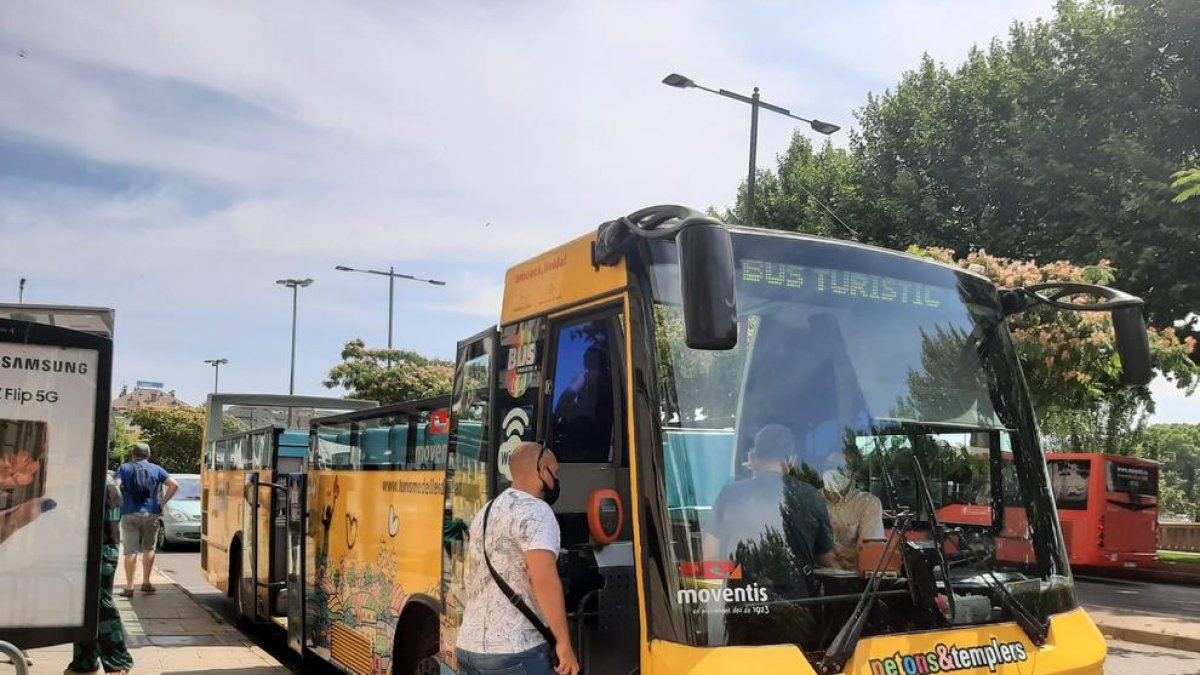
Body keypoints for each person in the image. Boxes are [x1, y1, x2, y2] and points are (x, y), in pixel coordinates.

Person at [456, 442, 580, 675]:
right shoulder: (536, 512)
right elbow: (543, 580)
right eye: (556, 472)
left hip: (469, 648)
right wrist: (564, 643)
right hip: (515, 651)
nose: (556, 479)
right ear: (543, 471)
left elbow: (470, 576)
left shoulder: (486, 511)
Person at [705, 424, 835, 570]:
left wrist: (738, 580)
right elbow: (827, 558)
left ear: (753, 458)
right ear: (791, 460)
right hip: (799, 592)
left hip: (745, 591)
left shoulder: (730, 495)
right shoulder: (812, 496)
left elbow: (710, 558)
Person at [65, 473, 134, 675]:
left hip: (99, 553)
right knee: (85, 607)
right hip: (97, 552)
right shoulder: (100, 479)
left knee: (100, 606)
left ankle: (117, 663)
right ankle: (84, 661)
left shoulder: (100, 482)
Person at [115, 443, 177, 597]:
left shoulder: (124, 468)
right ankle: (146, 583)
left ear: (133, 454)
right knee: (149, 548)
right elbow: (174, 485)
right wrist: (161, 502)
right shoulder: (157, 469)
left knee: (130, 550)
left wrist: (120, 503)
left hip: (129, 513)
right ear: (148, 455)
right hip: (152, 513)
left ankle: (129, 587)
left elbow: (115, 486)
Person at [821, 451, 884, 571]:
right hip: (814, 581)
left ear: (853, 474)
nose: (833, 473)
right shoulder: (812, 500)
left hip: (855, 582)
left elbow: (871, 551)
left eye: (840, 468)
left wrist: (842, 553)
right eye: (829, 467)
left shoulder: (868, 503)